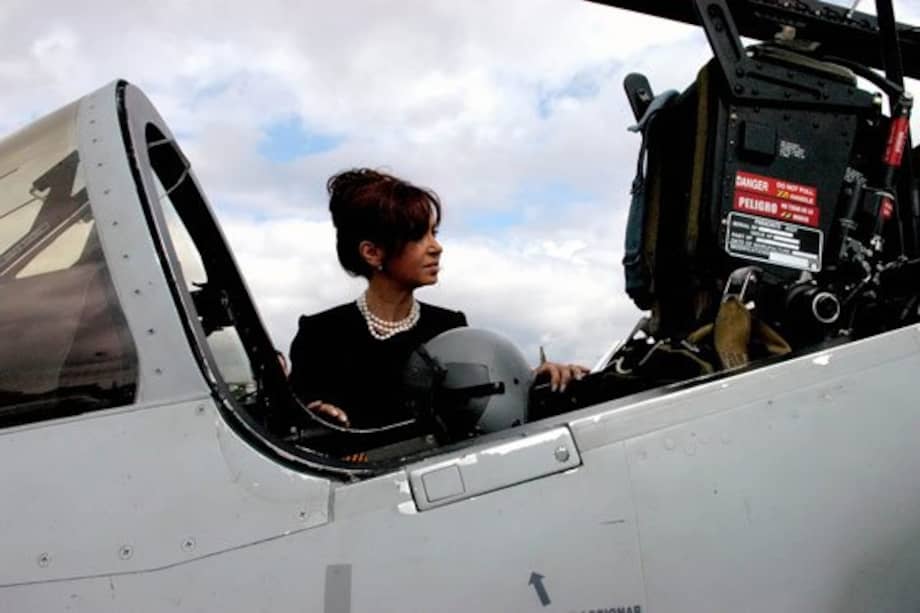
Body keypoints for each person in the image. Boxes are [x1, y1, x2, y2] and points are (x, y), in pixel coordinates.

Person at [288, 168, 587, 429]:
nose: (436, 247)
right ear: (372, 252)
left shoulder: (450, 328)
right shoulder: (319, 335)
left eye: (434, 233)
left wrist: (535, 382)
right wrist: (314, 417)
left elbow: (482, 407)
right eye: (418, 236)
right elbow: (292, 428)